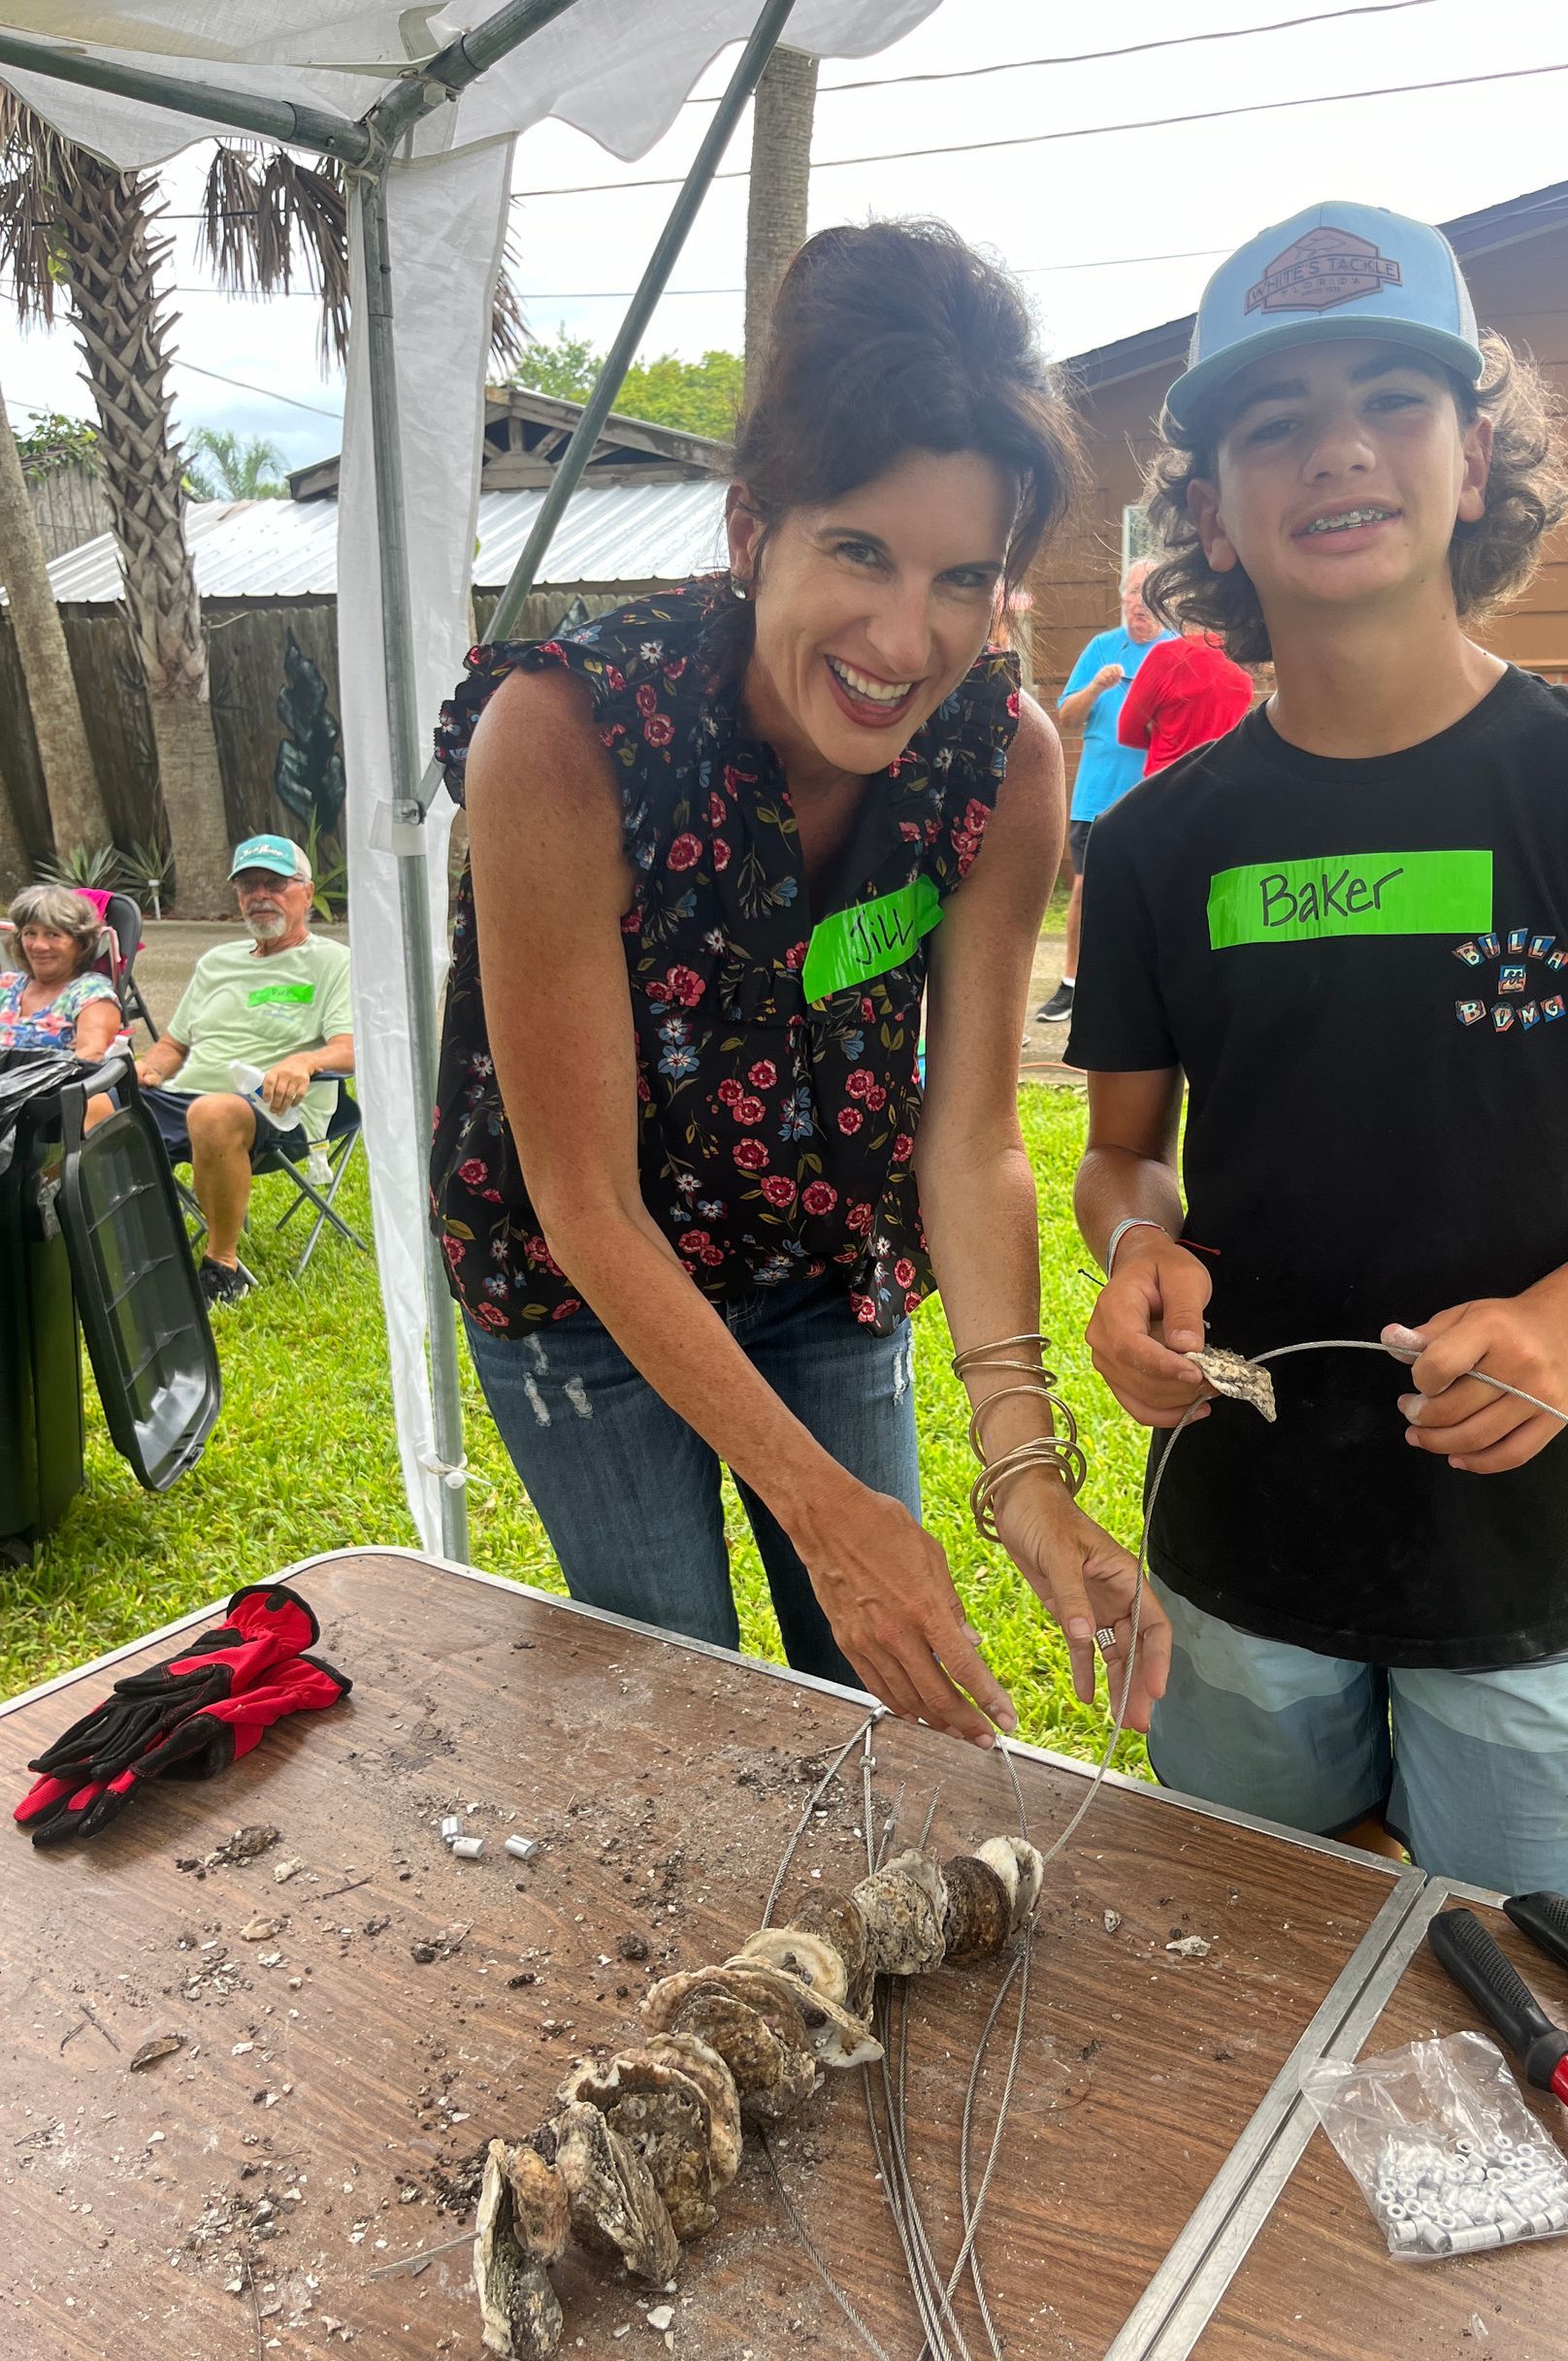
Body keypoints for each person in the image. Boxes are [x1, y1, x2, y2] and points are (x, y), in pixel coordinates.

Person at [1067, 201, 1568, 1911]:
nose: (1339, 450)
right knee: (1245, 1950)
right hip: (1238, 1539)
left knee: (1512, 1984)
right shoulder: (1164, 842)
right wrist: (1130, 1254)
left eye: (1396, 399)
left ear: (1479, 462)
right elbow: (1119, 1156)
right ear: (1215, 513)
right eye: (1273, 422)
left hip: (1512, 1549)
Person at [432, 220, 1167, 1751]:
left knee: (892, 1711)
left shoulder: (1005, 758)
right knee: (687, 1701)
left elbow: (967, 1144)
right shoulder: (566, 740)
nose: (909, 641)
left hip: (827, 1252)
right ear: (752, 527)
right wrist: (825, 1515)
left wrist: (1023, 1468)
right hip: (583, 1287)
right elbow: (583, 1197)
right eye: (861, 553)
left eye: (967, 578)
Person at [137, 836, 353, 1308]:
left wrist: (305, 1060)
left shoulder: (332, 961)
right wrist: (148, 1067)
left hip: (277, 1110)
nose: (260, 895)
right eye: (248, 885)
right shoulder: (217, 962)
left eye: (274, 883)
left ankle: (222, 1268)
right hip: (187, 1099)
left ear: (307, 893)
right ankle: (122, 1251)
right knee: (91, 1105)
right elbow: (174, 1043)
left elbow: (352, 1048)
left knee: (212, 1113)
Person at [1033, 561, 1169, 1025]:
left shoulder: (1175, 655)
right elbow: (1068, 717)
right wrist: (1095, 687)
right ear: (1122, 597)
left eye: (1150, 595)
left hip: (1155, 798)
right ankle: (1072, 984)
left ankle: (1148, 985)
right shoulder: (1101, 649)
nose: (1140, 604)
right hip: (1097, 798)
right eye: (1133, 593)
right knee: (1086, 890)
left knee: (1154, 894)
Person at [0, 883, 122, 1061]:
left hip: (53, 1087)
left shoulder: (91, 993)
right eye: (30, 933)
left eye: (52, 935)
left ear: (80, 943)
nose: (38, 946)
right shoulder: (6, 985)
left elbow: (91, 1057)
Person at [1117, 622, 1253, 775]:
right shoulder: (1241, 665)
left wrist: (1161, 742)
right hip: (1219, 781)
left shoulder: (1166, 655)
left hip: (1167, 781)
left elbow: (1127, 729)